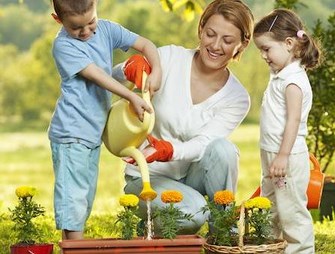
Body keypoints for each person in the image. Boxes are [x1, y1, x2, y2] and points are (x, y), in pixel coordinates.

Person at [113, 0, 254, 235]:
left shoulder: (237, 97)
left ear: (242, 44)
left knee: (224, 149)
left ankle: (221, 230)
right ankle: (153, 222)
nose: (216, 46)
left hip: (193, 177)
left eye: (228, 40)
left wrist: (169, 150)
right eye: (210, 34)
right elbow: (111, 76)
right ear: (201, 29)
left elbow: (204, 145)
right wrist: (129, 67)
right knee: (193, 216)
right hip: (149, 178)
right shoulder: (170, 58)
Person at [48, 0, 162, 240]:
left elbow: (145, 44)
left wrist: (157, 69)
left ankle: (71, 246)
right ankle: (74, 247)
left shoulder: (107, 29)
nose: (87, 31)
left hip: (91, 132)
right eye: (77, 27)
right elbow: (98, 75)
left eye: (91, 22)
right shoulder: (63, 45)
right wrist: (130, 95)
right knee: (74, 197)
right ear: (58, 20)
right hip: (71, 132)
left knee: (84, 196)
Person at [253, 8, 321, 253]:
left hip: (287, 157)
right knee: (269, 205)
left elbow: (292, 122)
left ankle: (301, 249)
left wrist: (282, 156)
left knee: (291, 209)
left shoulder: (293, 82)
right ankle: (270, 246)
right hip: (272, 154)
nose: (263, 55)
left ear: (289, 43)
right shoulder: (280, 75)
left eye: (266, 49)